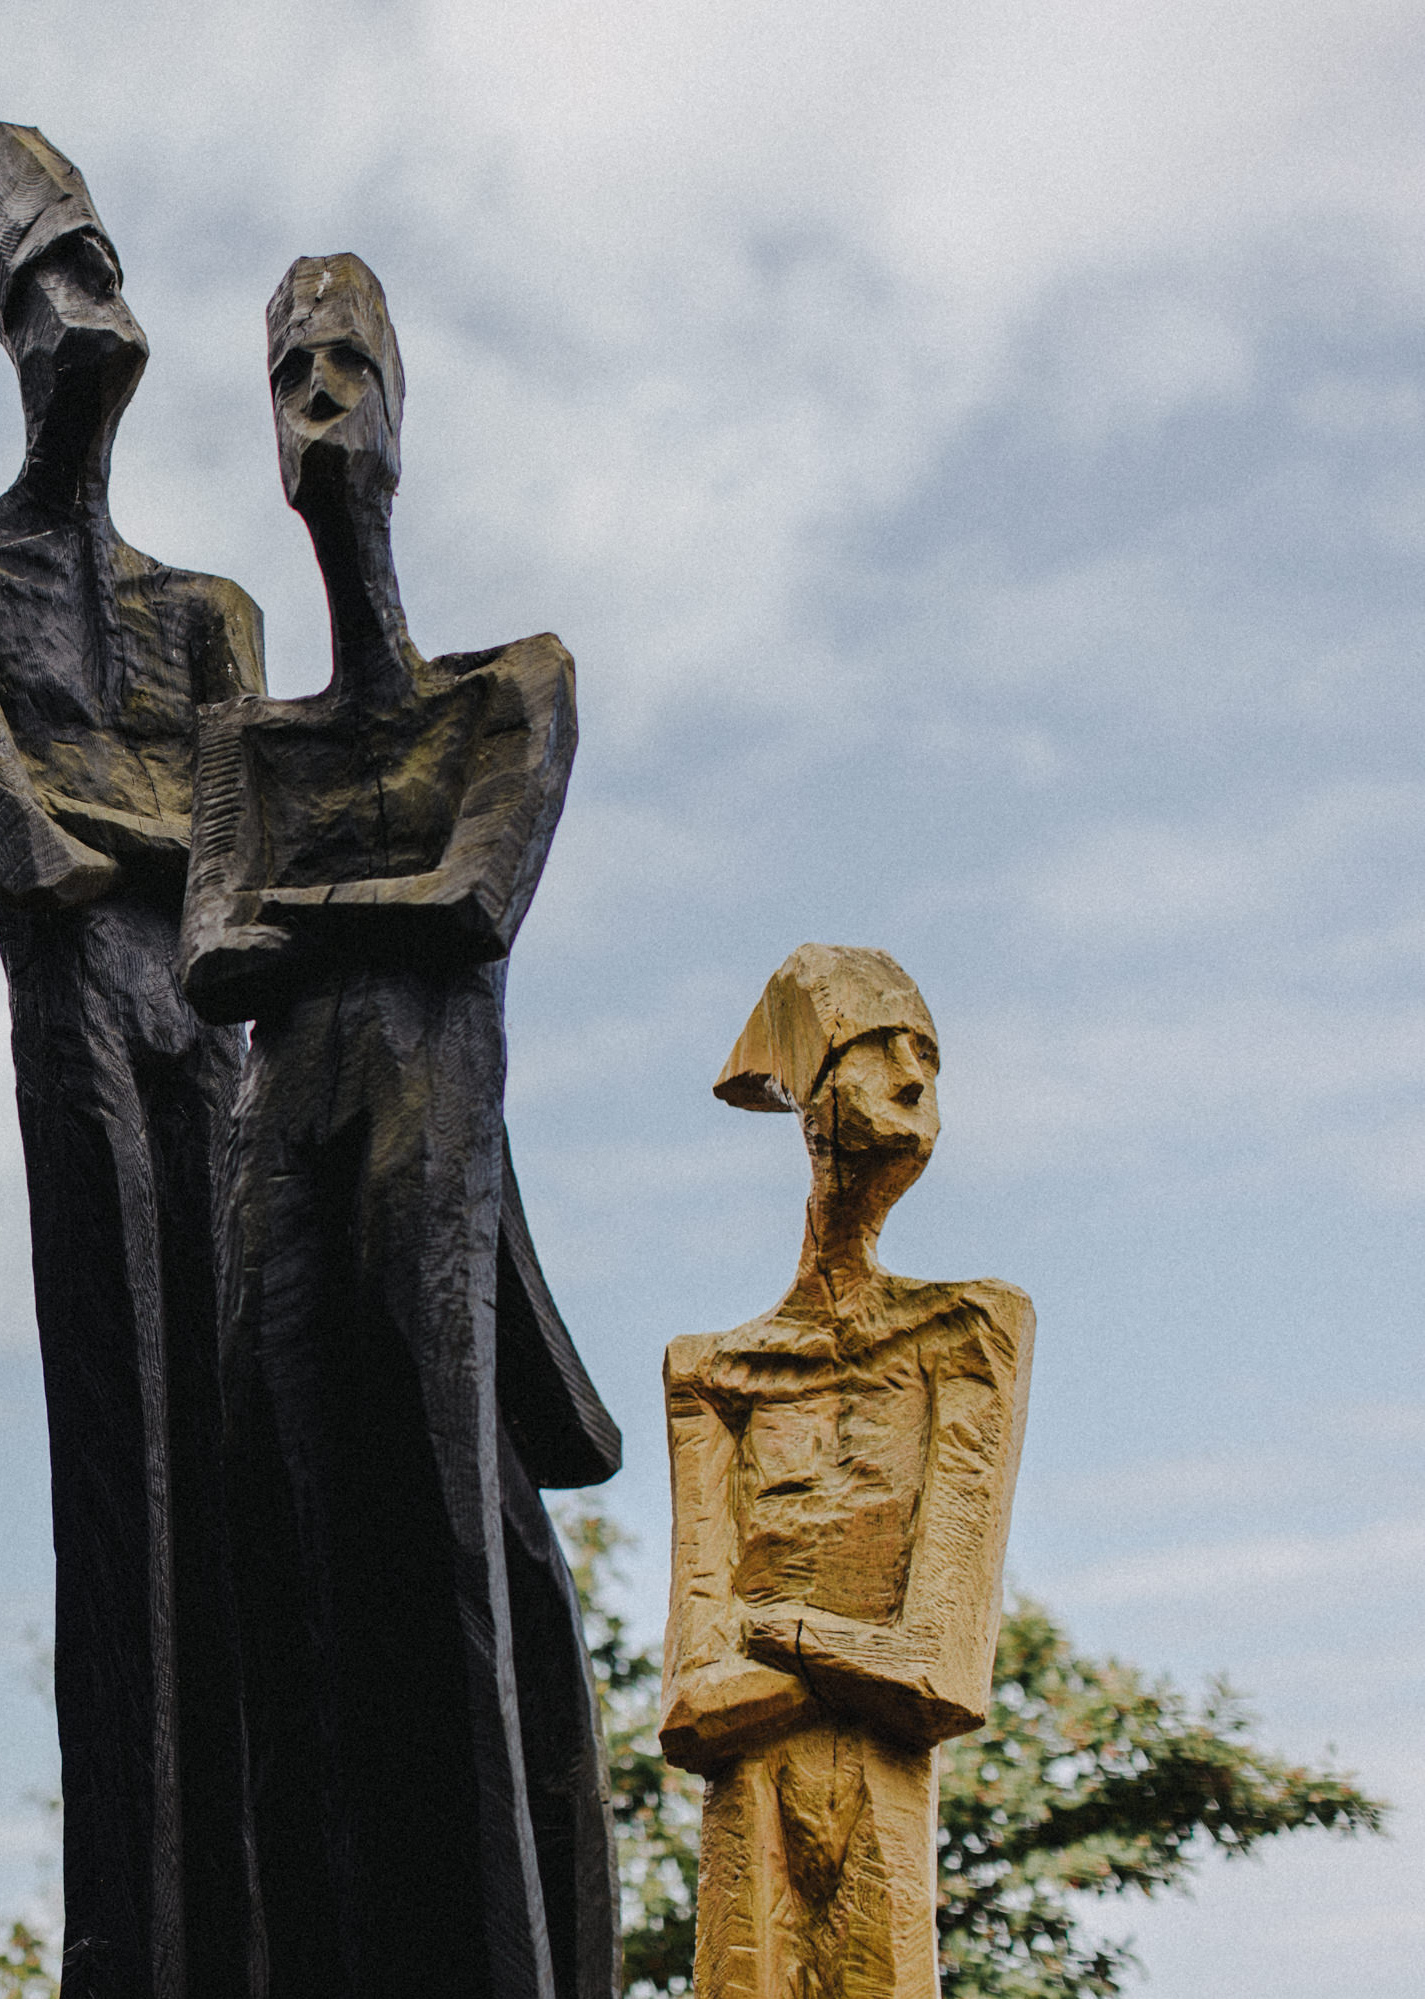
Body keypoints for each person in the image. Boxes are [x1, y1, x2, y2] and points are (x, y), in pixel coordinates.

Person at [180, 254, 618, 1999]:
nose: (316, 401)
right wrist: (350, 903)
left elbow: (472, 906)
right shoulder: (243, 736)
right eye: (288, 371)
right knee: (284, 1537)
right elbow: (212, 953)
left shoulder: (509, 683)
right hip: (276, 1150)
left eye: (346, 366)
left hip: (420, 1142)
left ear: (400, 407)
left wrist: (313, 909)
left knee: (445, 1525)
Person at [0, 123, 264, 1999]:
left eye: (101, 273)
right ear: (0, 330)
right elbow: (26, 848)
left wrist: (134, 819)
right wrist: (159, 818)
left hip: (219, 1047)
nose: (96, 318)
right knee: (127, 1466)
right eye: (54, 287)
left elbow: (244, 861)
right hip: (85, 1043)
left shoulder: (213, 613)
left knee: (250, 1463)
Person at [661, 945, 1033, 1999]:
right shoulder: (710, 1372)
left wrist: (773, 1631)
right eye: (877, 1052)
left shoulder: (968, 1330)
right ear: (808, 1095)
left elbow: (938, 1674)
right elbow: (692, 1706)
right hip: (750, 1818)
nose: (915, 1081)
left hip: (878, 1810)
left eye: (926, 1057)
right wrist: (846, 1656)